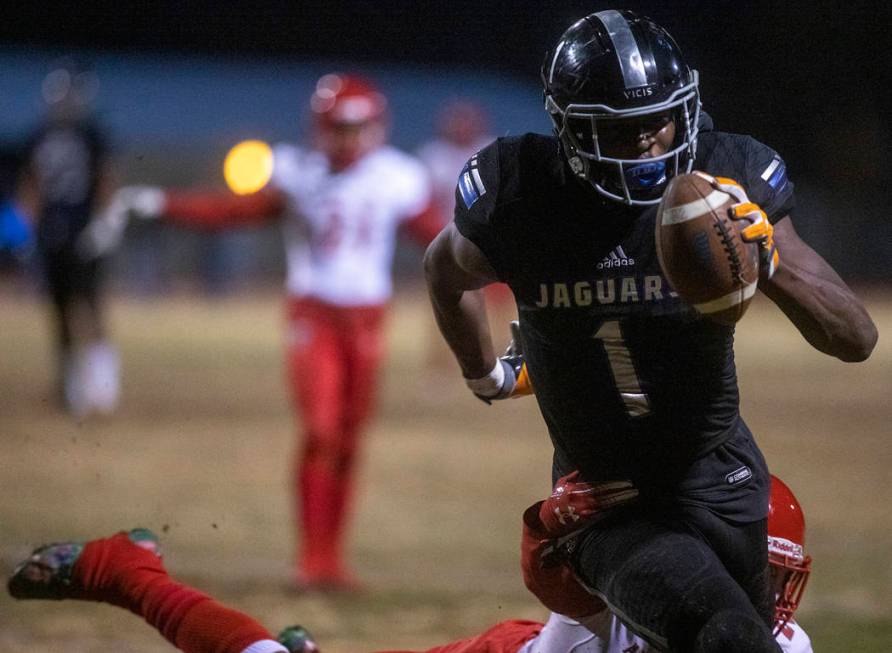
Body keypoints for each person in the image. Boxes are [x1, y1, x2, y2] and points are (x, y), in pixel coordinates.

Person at [423, 9, 876, 652]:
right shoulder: (524, 193)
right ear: (570, 131)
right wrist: (484, 372)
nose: (649, 143)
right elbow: (442, 272)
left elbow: (855, 338)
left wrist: (766, 260)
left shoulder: (727, 175)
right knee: (724, 633)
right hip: (608, 495)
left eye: (661, 120)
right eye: (623, 129)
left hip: (722, 474)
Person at [121, 73, 442, 591]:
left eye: (358, 127)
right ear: (321, 127)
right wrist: (164, 204)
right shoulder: (298, 172)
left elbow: (439, 236)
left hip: (367, 316)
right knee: (321, 430)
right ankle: (311, 557)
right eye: (340, 127)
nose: (350, 139)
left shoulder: (397, 176)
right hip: (314, 312)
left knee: (349, 438)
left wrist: (508, 257)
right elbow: (234, 212)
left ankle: (332, 558)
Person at [6, 475, 813, 653]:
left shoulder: (787, 647)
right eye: (758, 572)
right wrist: (547, 520)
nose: (770, 595)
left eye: (779, 577)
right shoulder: (652, 591)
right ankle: (127, 569)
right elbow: (551, 577)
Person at [16, 57, 121, 418]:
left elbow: (106, 179)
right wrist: (26, 230)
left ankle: (103, 389)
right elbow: (32, 187)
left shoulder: (90, 134)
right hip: (52, 234)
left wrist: (105, 222)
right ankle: (70, 389)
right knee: (59, 312)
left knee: (90, 308)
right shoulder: (39, 136)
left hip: (83, 232)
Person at [416, 101, 513, 373]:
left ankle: (504, 360)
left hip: (486, 240)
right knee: (444, 303)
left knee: (499, 306)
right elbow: (425, 201)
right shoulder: (433, 157)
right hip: (449, 239)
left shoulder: (490, 151)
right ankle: (442, 365)